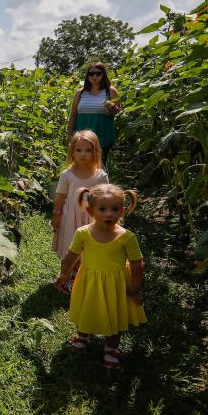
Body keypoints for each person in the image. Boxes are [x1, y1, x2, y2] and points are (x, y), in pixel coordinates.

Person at [53, 184, 145, 369]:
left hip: (116, 284)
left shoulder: (127, 237)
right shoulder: (83, 233)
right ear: (90, 210)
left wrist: (134, 289)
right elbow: (71, 254)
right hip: (89, 280)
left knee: (115, 315)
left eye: (115, 209)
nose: (109, 214)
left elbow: (137, 264)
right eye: (102, 209)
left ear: (123, 210)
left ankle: (111, 348)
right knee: (86, 307)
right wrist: (64, 274)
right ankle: (83, 336)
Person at [52, 130, 109, 261]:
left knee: (90, 247)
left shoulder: (100, 176)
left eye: (88, 150)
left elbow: (106, 198)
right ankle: (66, 276)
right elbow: (60, 197)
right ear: (72, 151)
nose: (83, 154)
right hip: (70, 218)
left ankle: (84, 275)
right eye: (79, 150)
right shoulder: (67, 175)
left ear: (95, 151)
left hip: (92, 217)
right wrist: (56, 214)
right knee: (69, 246)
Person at [67, 62, 121, 163]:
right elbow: (73, 114)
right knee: (81, 165)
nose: (94, 76)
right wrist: (70, 134)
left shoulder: (110, 91)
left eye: (98, 73)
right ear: (87, 75)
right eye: (91, 74)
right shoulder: (80, 92)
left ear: (103, 74)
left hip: (102, 136)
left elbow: (118, 112)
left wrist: (112, 108)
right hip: (82, 137)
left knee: (100, 166)